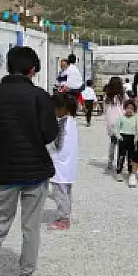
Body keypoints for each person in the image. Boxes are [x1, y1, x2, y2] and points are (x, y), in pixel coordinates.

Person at [0, 46, 59, 276]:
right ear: (32, 70)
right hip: (35, 170)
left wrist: (3, 147)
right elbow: (50, 133)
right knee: (30, 229)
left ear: (7, 67)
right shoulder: (40, 97)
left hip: (6, 170)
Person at [49, 92, 79, 231]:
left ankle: (63, 219)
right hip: (69, 164)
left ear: (61, 108)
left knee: (59, 193)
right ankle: (66, 214)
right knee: (66, 192)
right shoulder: (72, 120)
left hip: (60, 164)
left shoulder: (61, 123)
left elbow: (57, 144)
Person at [103, 77, 126, 172]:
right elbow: (125, 108)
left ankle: (110, 161)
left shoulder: (107, 97)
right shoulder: (122, 96)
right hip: (121, 121)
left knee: (113, 143)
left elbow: (105, 111)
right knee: (121, 144)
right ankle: (120, 163)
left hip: (111, 122)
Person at [114, 100, 138, 183]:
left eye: (131, 109)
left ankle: (130, 171)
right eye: (128, 108)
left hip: (132, 139)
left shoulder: (135, 119)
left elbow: (137, 129)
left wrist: (136, 137)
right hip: (123, 138)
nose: (129, 110)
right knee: (121, 156)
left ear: (134, 110)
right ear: (125, 108)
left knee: (131, 157)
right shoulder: (121, 118)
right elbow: (116, 129)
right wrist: (119, 137)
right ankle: (119, 172)